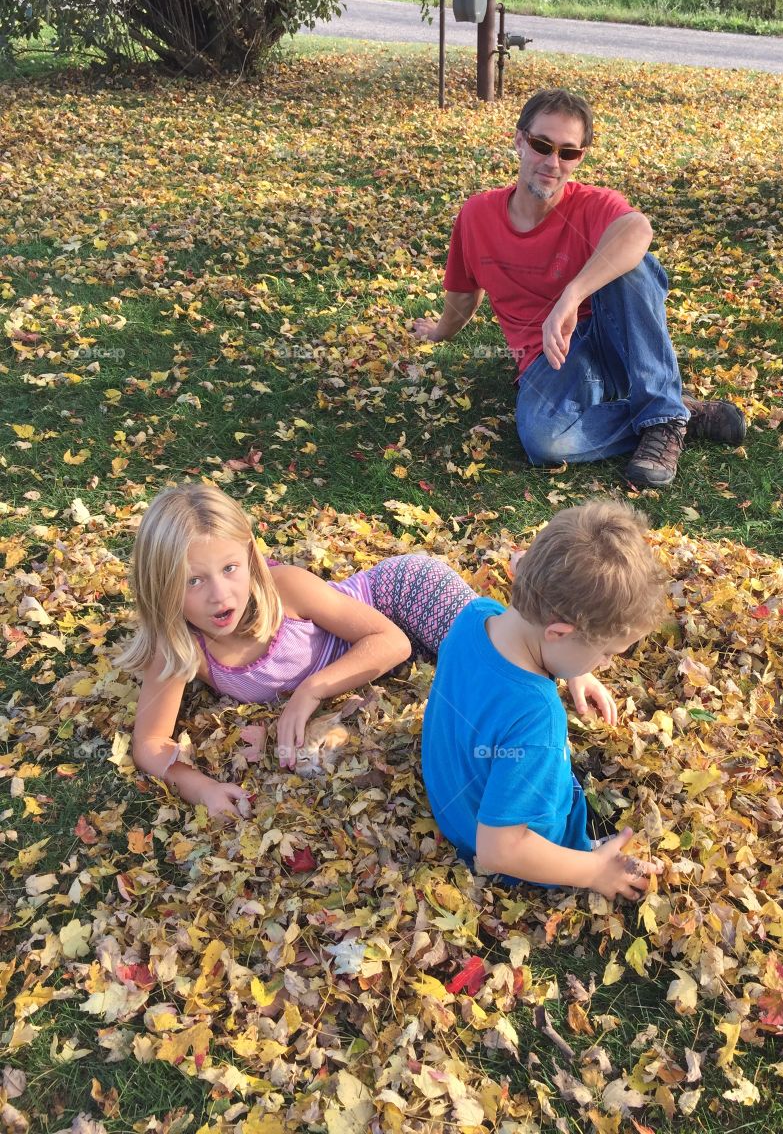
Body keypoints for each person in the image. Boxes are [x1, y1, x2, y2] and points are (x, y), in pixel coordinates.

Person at [413, 88, 746, 488]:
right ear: (519, 142)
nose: (552, 163)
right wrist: (438, 331)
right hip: (553, 361)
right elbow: (464, 297)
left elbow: (638, 229)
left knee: (633, 266)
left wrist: (571, 296)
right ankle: (677, 413)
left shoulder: (591, 204)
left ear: (580, 158)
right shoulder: (477, 215)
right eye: (541, 145)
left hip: (615, 342)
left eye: (567, 152)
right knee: (544, 441)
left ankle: (662, 418)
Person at [119, 483, 478, 818]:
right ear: (161, 586)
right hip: (382, 660)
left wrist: (311, 690)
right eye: (193, 580)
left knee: (494, 668)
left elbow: (392, 642)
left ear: (249, 558)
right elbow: (149, 743)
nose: (220, 594)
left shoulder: (285, 588)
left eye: (230, 568)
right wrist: (203, 789)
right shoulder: (181, 649)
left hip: (402, 596)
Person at [421, 500, 667, 900]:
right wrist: (592, 870)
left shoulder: (475, 616)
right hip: (516, 853)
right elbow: (499, 849)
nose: (605, 664)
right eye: (605, 653)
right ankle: (588, 853)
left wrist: (575, 666)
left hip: (453, 801)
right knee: (621, 864)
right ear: (558, 633)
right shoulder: (537, 718)